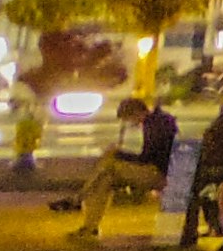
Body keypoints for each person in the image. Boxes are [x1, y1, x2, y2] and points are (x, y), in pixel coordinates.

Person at [68, 97, 165, 236]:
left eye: (128, 118)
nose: (129, 123)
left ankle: (79, 198)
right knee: (105, 179)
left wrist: (120, 154)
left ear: (137, 113)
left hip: (159, 174)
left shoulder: (155, 125)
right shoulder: (153, 122)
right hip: (153, 170)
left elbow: (146, 157)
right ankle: (90, 225)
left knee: (109, 164)